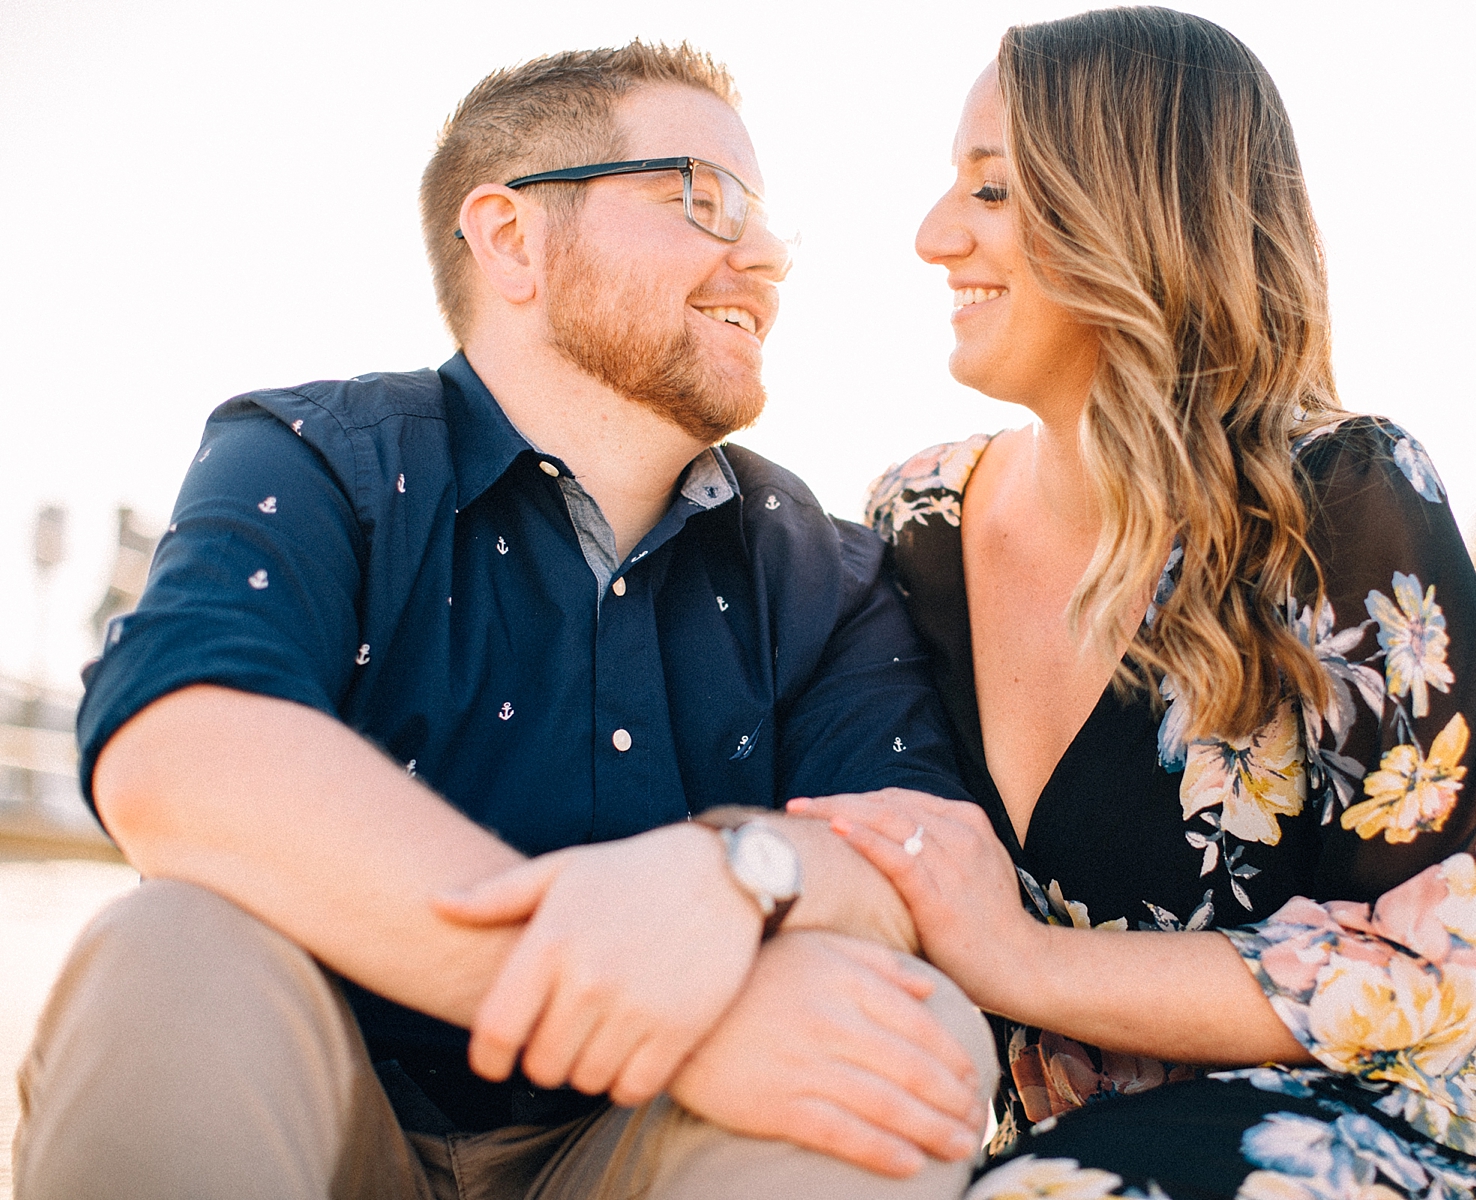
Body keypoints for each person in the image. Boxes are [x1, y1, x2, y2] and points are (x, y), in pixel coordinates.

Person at [13, 42, 998, 1200]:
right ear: (511, 237)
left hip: (656, 1149)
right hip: (327, 1112)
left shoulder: (822, 566)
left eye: (768, 218)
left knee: (910, 1033)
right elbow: (181, 756)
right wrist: (647, 1011)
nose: (768, 255)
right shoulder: (321, 457)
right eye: (705, 197)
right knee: (169, 950)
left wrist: (739, 872)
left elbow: (922, 857)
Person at [793, 9, 1476, 1200]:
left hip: (1405, 1129)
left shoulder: (1345, 498)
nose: (933, 236)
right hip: (1064, 1157)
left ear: (1129, 216)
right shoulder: (913, 520)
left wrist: (1016, 960)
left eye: (991, 193)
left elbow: (1430, 967)